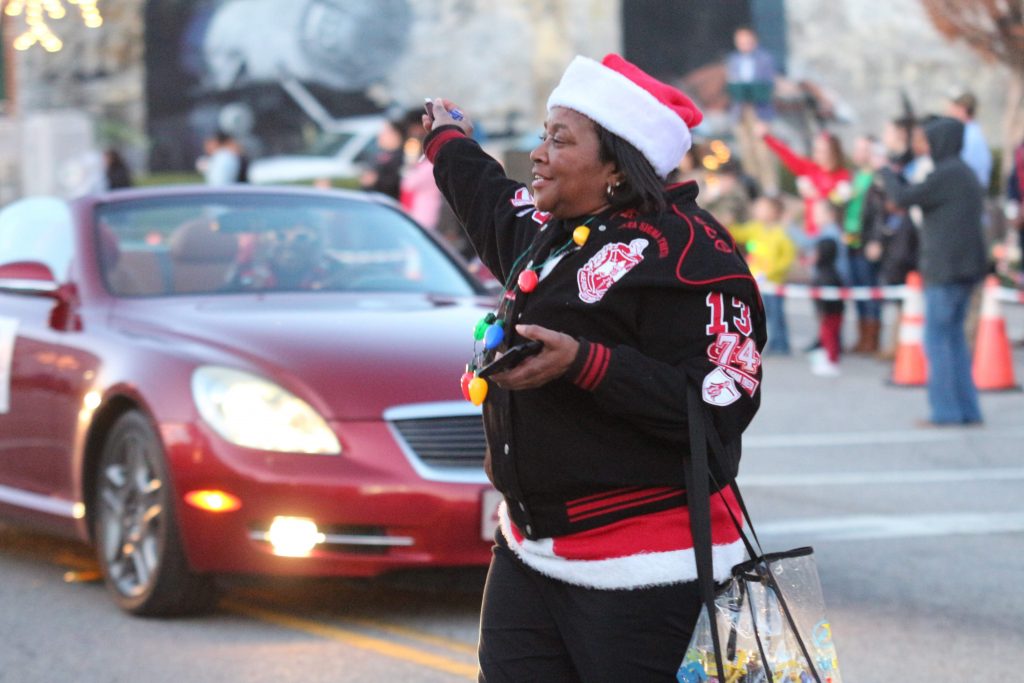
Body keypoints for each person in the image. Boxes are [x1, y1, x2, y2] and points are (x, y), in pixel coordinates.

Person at [422, 54, 765, 681]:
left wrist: (586, 364)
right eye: (543, 135)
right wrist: (448, 143)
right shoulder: (562, 231)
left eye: (560, 140)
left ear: (617, 165)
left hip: (645, 569)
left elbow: (721, 401)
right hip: (531, 549)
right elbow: (495, 207)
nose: (538, 154)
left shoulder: (693, 253)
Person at [879, 116, 986, 426]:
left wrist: (885, 171)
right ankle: (967, 410)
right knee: (954, 341)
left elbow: (902, 198)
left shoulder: (947, 174)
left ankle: (946, 412)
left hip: (945, 270)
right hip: (964, 269)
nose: (923, 147)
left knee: (937, 340)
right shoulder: (963, 173)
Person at [756, 121, 852, 239]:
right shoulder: (811, 169)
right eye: (815, 150)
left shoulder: (843, 176)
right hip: (812, 234)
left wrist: (816, 195)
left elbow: (839, 203)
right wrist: (767, 138)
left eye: (821, 151)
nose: (816, 154)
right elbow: (788, 156)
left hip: (833, 234)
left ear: (833, 153)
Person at [729, 195, 796, 354]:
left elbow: (787, 258)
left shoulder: (781, 233)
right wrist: (728, 223)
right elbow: (737, 233)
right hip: (756, 282)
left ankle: (781, 343)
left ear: (774, 212)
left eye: (763, 208)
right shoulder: (754, 228)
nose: (758, 211)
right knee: (758, 314)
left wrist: (772, 272)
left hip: (774, 282)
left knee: (776, 313)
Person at [843, 136, 887, 354]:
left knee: (869, 289)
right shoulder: (853, 176)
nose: (857, 153)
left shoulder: (878, 178)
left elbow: (880, 213)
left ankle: (872, 338)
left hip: (866, 240)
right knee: (857, 290)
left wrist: (876, 239)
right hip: (850, 239)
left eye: (863, 149)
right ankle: (862, 336)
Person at [726, 26, 779, 196]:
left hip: (759, 110)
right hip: (740, 110)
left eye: (747, 40)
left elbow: (769, 85)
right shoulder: (733, 60)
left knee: (763, 150)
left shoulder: (765, 59)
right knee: (747, 150)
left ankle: (770, 188)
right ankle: (753, 188)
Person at [809, 236, 844, 377]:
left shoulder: (826, 274)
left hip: (830, 312)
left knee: (829, 336)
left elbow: (826, 296)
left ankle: (831, 361)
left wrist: (822, 311)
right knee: (828, 336)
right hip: (832, 311)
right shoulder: (827, 271)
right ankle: (828, 359)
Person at [946, 90, 992, 190]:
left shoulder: (967, 134)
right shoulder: (974, 132)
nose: (949, 111)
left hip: (968, 189)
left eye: (954, 107)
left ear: (963, 110)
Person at [360, 119, 405, 200]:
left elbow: (401, 182)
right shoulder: (377, 155)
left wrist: (376, 180)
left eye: (385, 132)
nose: (380, 136)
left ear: (396, 134)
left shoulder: (403, 157)